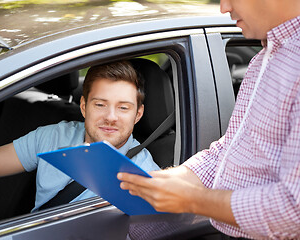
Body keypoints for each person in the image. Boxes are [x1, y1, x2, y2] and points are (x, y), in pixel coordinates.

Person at [118, 0, 300, 239]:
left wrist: (192, 199)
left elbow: (293, 209)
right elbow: (227, 152)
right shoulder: (262, 62)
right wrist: (164, 181)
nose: (224, 7)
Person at [0, 60, 160, 211]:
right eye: (100, 104)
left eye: (123, 108)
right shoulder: (53, 137)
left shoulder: (147, 176)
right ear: (83, 106)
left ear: (138, 114)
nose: (111, 117)